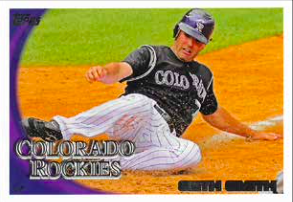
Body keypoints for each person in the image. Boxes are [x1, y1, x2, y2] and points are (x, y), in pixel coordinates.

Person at [22, 8, 280, 171]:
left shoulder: (203, 75)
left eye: (198, 40)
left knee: (192, 153)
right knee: (144, 103)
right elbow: (121, 69)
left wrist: (249, 133)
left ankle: (109, 162)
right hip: (131, 120)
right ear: (177, 31)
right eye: (187, 35)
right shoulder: (153, 54)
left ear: (204, 45)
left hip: (161, 138)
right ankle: (59, 130)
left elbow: (213, 113)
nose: (190, 44)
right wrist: (105, 72)